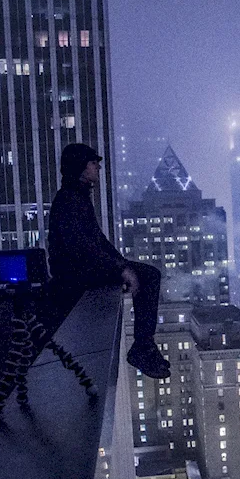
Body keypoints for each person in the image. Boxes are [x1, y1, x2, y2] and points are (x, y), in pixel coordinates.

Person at [47, 143, 170, 379]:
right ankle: (143, 347)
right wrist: (121, 269)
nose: (98, 167)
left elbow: (97, 242)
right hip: (76, 275)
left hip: (80, 271)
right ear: (81, 168)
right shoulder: (71, 200)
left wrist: (121, 265)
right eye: (94, 163)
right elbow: (83, 247)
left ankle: (144, 346)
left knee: (148, 275)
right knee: (150, 276)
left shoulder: (76, 196)